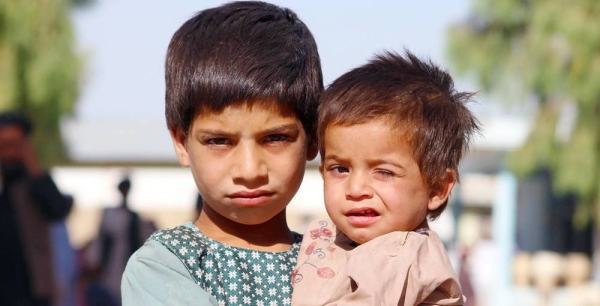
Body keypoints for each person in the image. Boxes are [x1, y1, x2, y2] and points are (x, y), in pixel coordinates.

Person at [121, 1, 322, 305]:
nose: (249, 170)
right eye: (219, 141)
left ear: (312, 140)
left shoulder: (334, 261)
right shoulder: (163, 265)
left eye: (276, 137)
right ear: (181, 142)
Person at [291, 50, 480, 305]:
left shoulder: (405, 253)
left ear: (436, 188)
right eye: (340, 169)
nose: (356, 188)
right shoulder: (333, 236)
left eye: (384, 172)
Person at [0, 111, 72, 306]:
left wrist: (36, 170)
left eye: (15, 145)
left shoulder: (34, 183)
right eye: (4, 146)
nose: (9, 153)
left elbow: (59, 210)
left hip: (33, 292)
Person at [86, 176, 155, 305]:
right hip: (110, 265)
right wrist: (95, 261)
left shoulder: (134, 217)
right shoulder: (109, 213)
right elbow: (101, 239)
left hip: (126, 263)